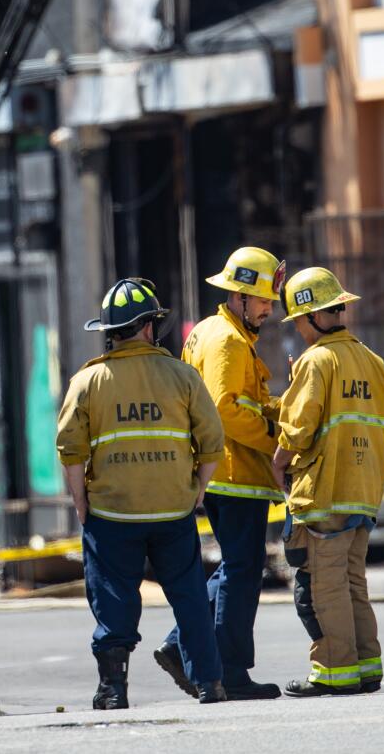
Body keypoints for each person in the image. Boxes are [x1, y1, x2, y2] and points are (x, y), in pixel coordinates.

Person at [56, 278, 228, 709]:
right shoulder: (182, 376)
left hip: (113, 515)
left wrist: (81, 503)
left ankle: (113, 689)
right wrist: (196, 491)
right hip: (173, 511)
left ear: (110, 331)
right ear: (150, 327)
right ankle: (210, 684)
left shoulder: (88, 381)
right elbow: (212, 443)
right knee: (189, 598)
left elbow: (70, 450)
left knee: (113, 599)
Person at [158, 247, 285, 701]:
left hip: (225, 473)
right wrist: (278, 438)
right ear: (239, 296)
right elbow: (225, 410)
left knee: (235, 568)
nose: (269, 309)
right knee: (242, 572)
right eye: (264, 300)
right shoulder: (228, 341)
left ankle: (180, 646)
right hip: (234, 474)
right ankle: (229, 670)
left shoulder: (213, 333)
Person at [270, 267, 384, 697]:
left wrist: (278, 462)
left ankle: (334, 672)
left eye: (298, 321)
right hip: (363, 490)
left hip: (325, 490)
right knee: (354, 581)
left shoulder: (316, 360)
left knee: (326, 586)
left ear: (313, 317)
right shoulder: (372, 360)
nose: (299, 329)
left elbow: (299, 430)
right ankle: (366, 664)